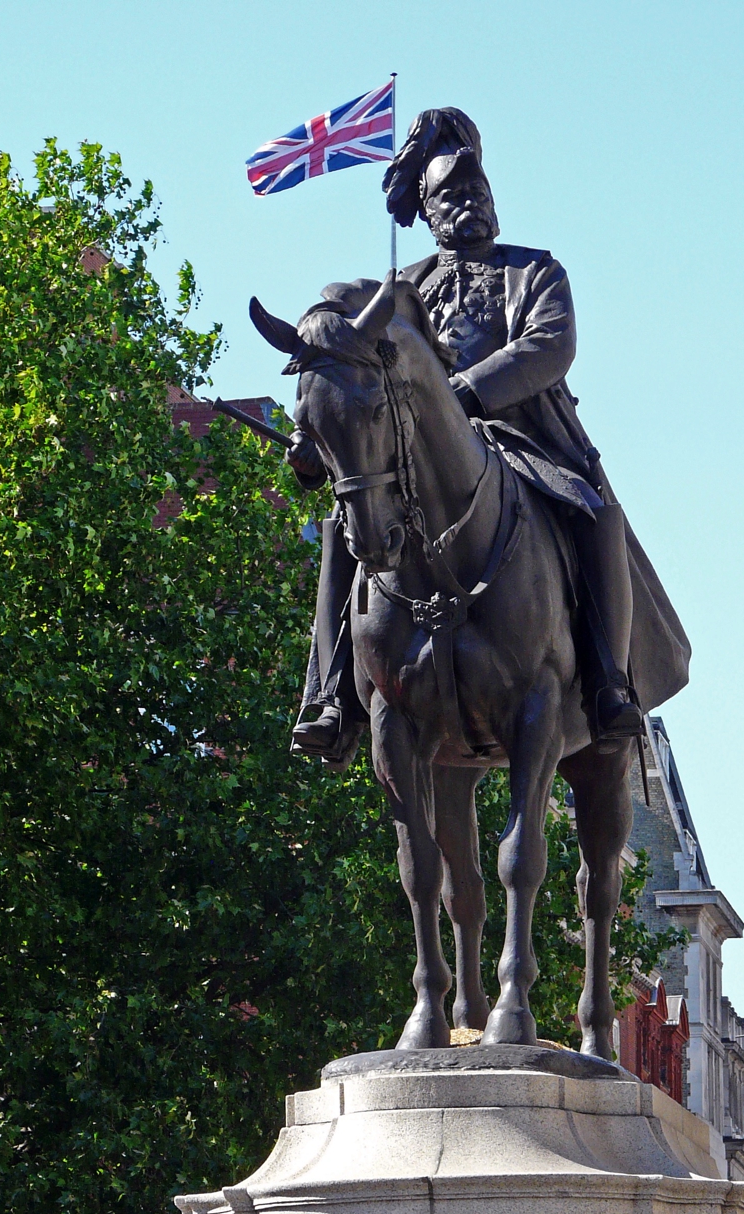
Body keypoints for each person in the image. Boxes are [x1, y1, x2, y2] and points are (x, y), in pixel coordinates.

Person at [286, 106, 689, 764]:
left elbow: (549, 346)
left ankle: (610, 683)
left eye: (479, 191)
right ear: (428, 209)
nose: (470, 202)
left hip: (527, 442)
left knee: (598, 513)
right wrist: (314, 421)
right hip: (420, 465)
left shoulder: (535, 272)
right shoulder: (401, 290)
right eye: (452, 194)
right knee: (343, 524)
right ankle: (332, 694)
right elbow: (340, 346)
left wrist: (463, 394)